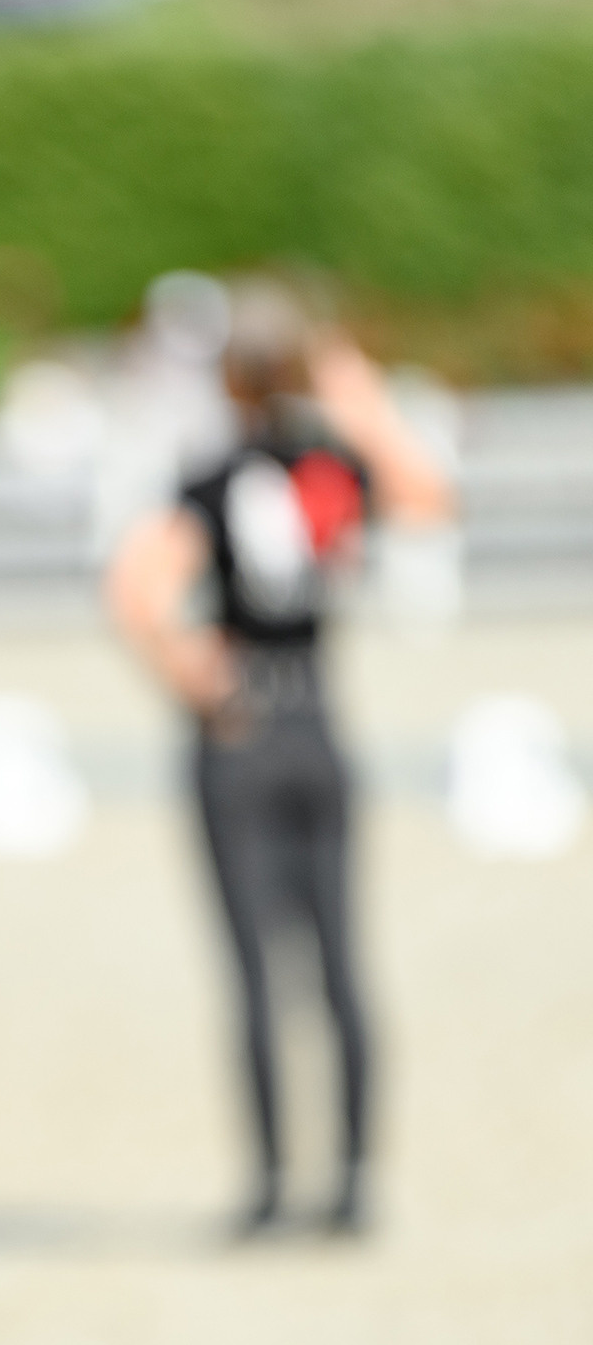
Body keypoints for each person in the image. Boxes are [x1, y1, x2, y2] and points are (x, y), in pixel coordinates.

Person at [107, 283, 454, 1234]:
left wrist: (192, 671)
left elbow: (136, 589)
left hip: (241, 725)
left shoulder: (217, 475)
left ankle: (269, 1188)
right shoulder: (332, 468)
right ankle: (350, 1183)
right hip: (319, 722)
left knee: (257, 968)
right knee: (343, 959)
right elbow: (428, 495)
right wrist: (359, 394)